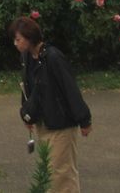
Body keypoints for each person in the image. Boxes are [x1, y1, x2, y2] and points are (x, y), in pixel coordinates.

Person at [12, 16, 91, 193]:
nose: (15, 43)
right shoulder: (27, 58)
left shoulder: (53, 57)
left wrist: (84, 120)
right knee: (48, 173)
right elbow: (28, 89)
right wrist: (26, 114)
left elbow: (70, 88)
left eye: (18, 39)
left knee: (61, 175)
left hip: (61, 125)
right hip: (43, 123)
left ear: (30, 38)